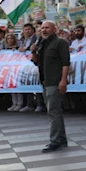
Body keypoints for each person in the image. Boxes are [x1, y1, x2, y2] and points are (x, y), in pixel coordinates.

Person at [33, 21, 70, 153]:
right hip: (45, 81)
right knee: (56, 112)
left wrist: (63, 80)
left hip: (55, 81)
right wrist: (33, 52)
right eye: (42, 28)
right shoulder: (42, 43)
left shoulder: (60, 43)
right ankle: (62, 139)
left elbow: (66, 63)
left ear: (54, 29)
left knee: (53, 111)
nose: (44, 30)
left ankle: (55, 141)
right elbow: (37, 62)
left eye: (47, 27)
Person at [5, 32, 26, 112]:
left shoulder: (18, 48)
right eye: (8, 39)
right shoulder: (5, 49)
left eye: (11, 38)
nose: (10, 40)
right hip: (9, 69)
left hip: (17, 69)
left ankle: (20, 103)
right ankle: (14, 103)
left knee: (18, 87)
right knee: (12, 87)